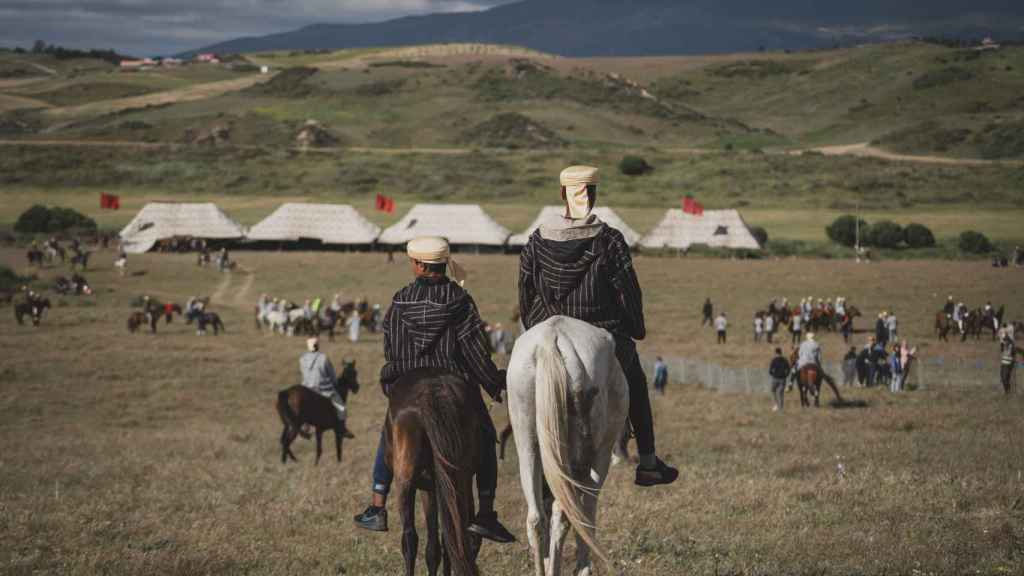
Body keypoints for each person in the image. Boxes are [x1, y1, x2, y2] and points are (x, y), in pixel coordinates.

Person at [517, 165, 677, 487]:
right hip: (604, 328)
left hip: (545, 327)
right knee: (636, 379)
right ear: (593, 195)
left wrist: (534, 327)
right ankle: (647, 462)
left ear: (562, 194)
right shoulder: (609, 239)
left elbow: (525, 290)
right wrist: (635, 328)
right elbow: (628, 290)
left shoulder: (536, 239)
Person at [353, 237, 515, 542]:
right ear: (443, 264)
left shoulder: (400, 301)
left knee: (389, 433)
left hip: (408, 379)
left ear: (417, 265)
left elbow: (392, 350)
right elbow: (475, 351)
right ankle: (487, 512)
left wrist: (399, 382)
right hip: (455, 383)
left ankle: (376, 506)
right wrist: (493, 382)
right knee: (485, 432)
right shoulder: (460, 300)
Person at [299, 337, 353, 430]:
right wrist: (335, 382)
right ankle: (342, 428)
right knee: (341, 407)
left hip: (305, 388)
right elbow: (331, 373)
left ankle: (305, 424)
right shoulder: (323, 357)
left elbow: (303, 372)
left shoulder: (302, 358)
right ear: (317, 346)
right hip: (322, 388)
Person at [1000, 330, 1022, 394]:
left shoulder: (1012, 347)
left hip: (1009, 365)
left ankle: (1007, 391)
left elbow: (1019, 350)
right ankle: (1007, 390)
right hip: (1003, 364)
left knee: (1005, 378)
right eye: (1004, 341)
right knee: (1003, 378)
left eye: (1006, 341)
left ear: (1009, 341)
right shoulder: (1004, 346)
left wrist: (1016, 360)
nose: (1005, 342)